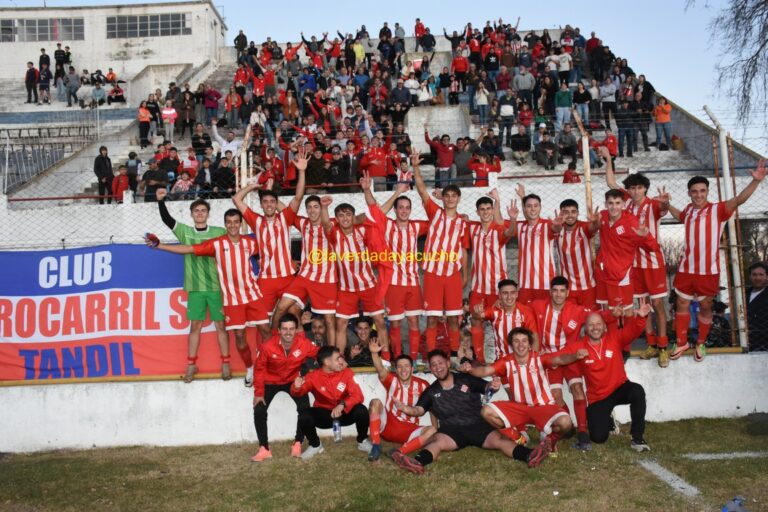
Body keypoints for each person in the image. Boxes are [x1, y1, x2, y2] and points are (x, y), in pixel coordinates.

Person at [147, 208, 267, 387]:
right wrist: (160, 245)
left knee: (266, 330)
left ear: (241, 223)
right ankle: (249, 367)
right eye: (229, 222)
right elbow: (188, 248)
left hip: (253, 295)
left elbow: (266, 252)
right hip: (232, 299)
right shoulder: (217, 243)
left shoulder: (250, 243)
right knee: (240, 337)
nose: (233, 225)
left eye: (236, 222)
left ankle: (267, 366)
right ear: (225, 224)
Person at [390, 350, 550, 474]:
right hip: (451, 431)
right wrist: (406, 409)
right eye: (433, 365)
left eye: (440, 362)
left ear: (447, 362)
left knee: (500, 441)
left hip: (478, 425)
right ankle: (417, 462)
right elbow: (419, 410)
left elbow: (486, 388)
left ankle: (530, 455)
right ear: (431, 369)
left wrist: (493, 386)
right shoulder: (431, 391)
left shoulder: (465, 378)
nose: (438, 367)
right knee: (436, 443)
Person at [668, 162, 766, 361]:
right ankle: (682, 342)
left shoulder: (718, 209)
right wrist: (666, 204)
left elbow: (739, 200)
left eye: (702, 191)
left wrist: (755, 181)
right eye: (694, 191)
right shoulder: (688, 210)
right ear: (689, 193)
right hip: (686, 269)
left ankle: (701, 343)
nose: (698, 195)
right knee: (681, 304)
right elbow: (679, 215)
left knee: (705, 307)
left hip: (708, 271)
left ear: (707, 192)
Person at [461, 326, 585, 453]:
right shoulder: (506, 361)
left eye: (524, 341)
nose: (521, 344)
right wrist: (470, 369)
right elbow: (485, 371)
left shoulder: (540, 358)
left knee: (566, 422)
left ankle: (550, 439)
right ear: (511, 345)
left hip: (542, 407)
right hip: (518, 408)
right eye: (516, 341)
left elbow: (559, 359)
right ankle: (519, 438)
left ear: (530, 344)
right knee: (486, 412)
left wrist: (575, 356)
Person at [531, 277, 616, 451]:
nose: (558, 294)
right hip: (551, 359)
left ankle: (583, 432)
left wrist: (614, 313)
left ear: (567, 293)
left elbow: (597, 316)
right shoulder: (538, 306)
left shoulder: (576, 310)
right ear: (550, 292)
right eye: (555, 290)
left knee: (577, 389)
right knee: (556, 395)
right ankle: (568, 427)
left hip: (571, 356)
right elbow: (519, 309)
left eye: (562, 290)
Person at [154, 187, 229, 382]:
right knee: (195, 326)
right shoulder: (186, 232)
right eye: (196, 211)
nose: (200, 213)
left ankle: (225, 363)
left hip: (216, 288)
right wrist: (161, 201)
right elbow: (167, 220)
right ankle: (191, 364)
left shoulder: (219, 232)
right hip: (195, 288)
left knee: (221, 325)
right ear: (192, 214)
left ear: (208, 214)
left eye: (203, 210)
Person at [604, 150, 671, 366]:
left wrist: (665, 203)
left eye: (639, 187)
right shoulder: (626, 205)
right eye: (631, 188)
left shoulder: (652, 204)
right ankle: (651, 344)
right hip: (634, 265)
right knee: (643, 306)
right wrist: (608, 160)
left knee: (658, 304)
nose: (634, 191)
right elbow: (611, 181)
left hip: (653, 262)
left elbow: (663, 209)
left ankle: (663, 346)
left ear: (645, 189)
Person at [232, 149, 307, 341]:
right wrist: (252, 186)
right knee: (262, 322)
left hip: (288, 277)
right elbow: (236, 199)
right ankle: (268, 354)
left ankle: (296, 356)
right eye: (265, 202)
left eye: (272, 201)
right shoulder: (255, 220)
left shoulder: (286, 217)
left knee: (294, 315)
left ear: (276, 203)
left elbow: (298, 196)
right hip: (266, 279)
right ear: (262, 205)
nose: (269, 204)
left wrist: (302, 171)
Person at [560, 304, 654, 450]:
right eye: (591, 324)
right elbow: (559, 356)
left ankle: (637, 438)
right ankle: (607, 417)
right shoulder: (578, 346)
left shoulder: (614, 338)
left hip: (619, 388)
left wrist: (641, 317)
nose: (595, 327)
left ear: (604, 327)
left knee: (637, 391)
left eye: (598, 324)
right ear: (585, 329)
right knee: (598, 438)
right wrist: (538, 357)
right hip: (598, 398)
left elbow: (633, 331)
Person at [319, 187, 390, 356]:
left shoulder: (362, 230)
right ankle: (339, 358)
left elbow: (377, 213)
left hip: (368, 285)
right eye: (341, 215)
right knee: (341, 323)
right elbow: (325, 224)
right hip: (346, 289)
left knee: (379, 320)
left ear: (353, 216)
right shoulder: (334, 234)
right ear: (337, 218)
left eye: (348, 214)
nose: (345, 218)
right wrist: (324, 207)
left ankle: (386, 356)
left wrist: (367, 190)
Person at [411, 151, 469, 359]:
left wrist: (466, 275)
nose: (451, 198)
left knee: (454, 319)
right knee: (433, 318)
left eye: (454, 195)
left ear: (459, 198)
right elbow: (421, 190)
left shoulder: (463, 223)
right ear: (443, 198)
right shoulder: (435, 213)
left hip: (452, 274)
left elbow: (463, 250)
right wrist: (415, 167)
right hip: (433, 273)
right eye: (448, 195)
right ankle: (433, 356)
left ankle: (453, 356)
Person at [360, 180, 423, 359]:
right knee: (395, 324)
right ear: (395, 210)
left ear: (411, 210)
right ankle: (397, 358)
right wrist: (394, 192)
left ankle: (413, 358)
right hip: (393, 284)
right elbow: (375, 210)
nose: (404, 210)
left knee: (413, 322)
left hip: (413, 283)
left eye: (407, 207)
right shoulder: (388, 226)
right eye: (400, 207)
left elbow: (439, 221)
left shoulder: (418, 226)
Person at [251, 313, 319, 462]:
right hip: (271, 382)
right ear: (279, 331)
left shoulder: (304, 343)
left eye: (291, 329)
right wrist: (259, 392)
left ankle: (297, 443)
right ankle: (264, 448)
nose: (288, 332)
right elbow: (259, 369)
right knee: (259, 409)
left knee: (305, 409)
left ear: (296, 330)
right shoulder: (267, 346)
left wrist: (338, 359)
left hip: (292, 380)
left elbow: (320, 355)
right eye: (285, 329)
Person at [291, 346, 372, 460]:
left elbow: (358, 396)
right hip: (325, 416)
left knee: (361, 410)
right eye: (337, 358)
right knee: (304, 416)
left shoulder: (347, 372)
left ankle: (362, 441)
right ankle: (315, 445)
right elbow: (298, 393)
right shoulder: (313, 377)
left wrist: (342, 404)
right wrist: (296, 387)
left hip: (345, 412)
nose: (341, 361)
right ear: (327, 362)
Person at [366, 338, 436, 461]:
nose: (403, 370)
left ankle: (399, 452)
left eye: (406, 366)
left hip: (409, 430)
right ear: (396, 369)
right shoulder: (391, 380)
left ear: (412, 368)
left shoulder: (423, 385)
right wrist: (374, 353)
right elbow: (380, 369)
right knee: (374, 402)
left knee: (432, 430)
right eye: (399, 367)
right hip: (388, 424)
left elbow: (432, 408)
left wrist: (437, 429)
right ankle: (376, 445)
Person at [592, 189, 659, 315]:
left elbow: (653, 247)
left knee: (626, 311)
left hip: (621, 275)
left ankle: (628, 335)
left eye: (617, 203)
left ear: (623, 204)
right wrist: (594, 223)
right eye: (610, 203)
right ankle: (612, 335)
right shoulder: (602, 216)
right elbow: (592, 229)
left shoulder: (631, 222)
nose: (614, 207)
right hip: (603, 273)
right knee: (606, 311)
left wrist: (644, 236)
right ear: (605, 204)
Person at [467, 191, 514, 362]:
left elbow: (510, 232)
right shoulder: (472, 228)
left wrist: (512, 218)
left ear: (492, 211)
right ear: (477, 212)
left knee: (499, 322)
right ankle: (479, 359)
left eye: (489, 209)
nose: (486, 212)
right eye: (482, 209)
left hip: (497, 288)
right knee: (476, 321)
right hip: (478, 288)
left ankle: (502, 358)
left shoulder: (499, 230)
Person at [509, 184, 557, 303]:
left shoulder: (548, 225)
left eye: (536, 206)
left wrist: (558, 225)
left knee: (545, 319)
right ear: (524, 208)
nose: (533, 209)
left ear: (540, 207)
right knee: (526, 318)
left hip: (545, 284)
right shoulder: (520, 226)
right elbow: (529, 216)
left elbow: (557, 228)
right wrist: (521, 197)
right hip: (525, 285)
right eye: (529, 206)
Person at [472, 278, 539, 361]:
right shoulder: (494, 310)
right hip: (501, 360)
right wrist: (476, 312)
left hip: (522, 360)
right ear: (499, 295)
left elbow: (535, 339)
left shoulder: (526, 312)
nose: (509, 297)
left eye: (512, 293)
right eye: (505, 293)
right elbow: (476, 318)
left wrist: (533, 361)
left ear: (517, 294)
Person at [554, 199, 597, 308]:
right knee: (570, 321)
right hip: (568, 288)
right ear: (561, 213)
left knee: (590, 318)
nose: (570, 215)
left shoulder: (583, 227)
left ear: (578, 213)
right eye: (566, 212)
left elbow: (593, 228)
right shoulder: (557, 230)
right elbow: (553, 228)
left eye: (573, 212)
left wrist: (596, 222)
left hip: (588, 286)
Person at [747, 262, 768, 351]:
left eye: (761, 274)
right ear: (750, 276)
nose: (757, 278)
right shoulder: (743, 294)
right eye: (754, 274)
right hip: (747, 342)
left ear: (767, 276)